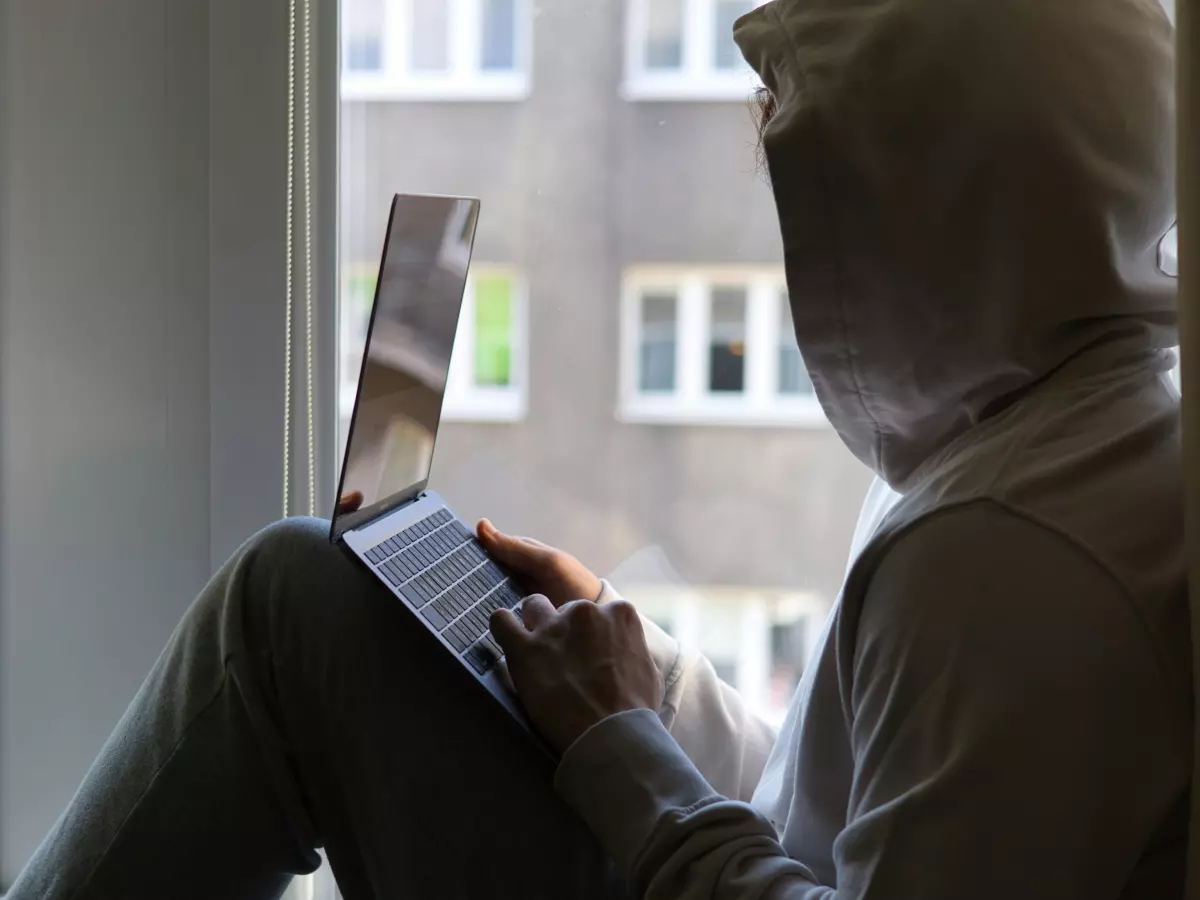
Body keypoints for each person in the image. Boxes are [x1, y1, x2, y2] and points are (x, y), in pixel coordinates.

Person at [9, 0, 1186, 897]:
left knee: (292, 606)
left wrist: (620, 743)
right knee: (317, 589)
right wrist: (649, 680)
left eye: (798, 144)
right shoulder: (1048, 434)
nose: (763, 152)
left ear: (924, 187)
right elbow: (833, 806)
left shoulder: (1015, 557)